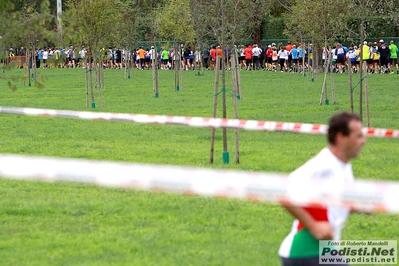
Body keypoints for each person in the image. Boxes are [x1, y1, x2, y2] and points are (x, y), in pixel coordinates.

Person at [279, 111, 366, 266]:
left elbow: (334, 200)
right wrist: (313, 225)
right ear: (341, 138)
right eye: (358, 136)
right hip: (304, 249)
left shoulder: (343, 165)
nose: (363, 141)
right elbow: (283, 191)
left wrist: (361, 205)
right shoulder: (324, 165)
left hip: (325, 249)